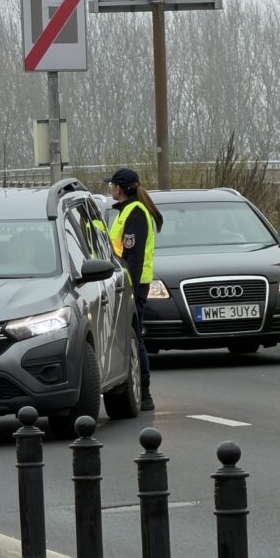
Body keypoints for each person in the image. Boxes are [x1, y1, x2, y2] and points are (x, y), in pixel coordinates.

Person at [105, 167, 164, 412]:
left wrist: (128, 287)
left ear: (120, 188)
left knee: (135, 338)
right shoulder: (127, 210)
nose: (110, 188)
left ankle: (145, 392)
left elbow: (133, 255)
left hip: (133, 284)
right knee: (132, 336)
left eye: (112, 185)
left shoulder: (136, 212)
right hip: (128, 283)